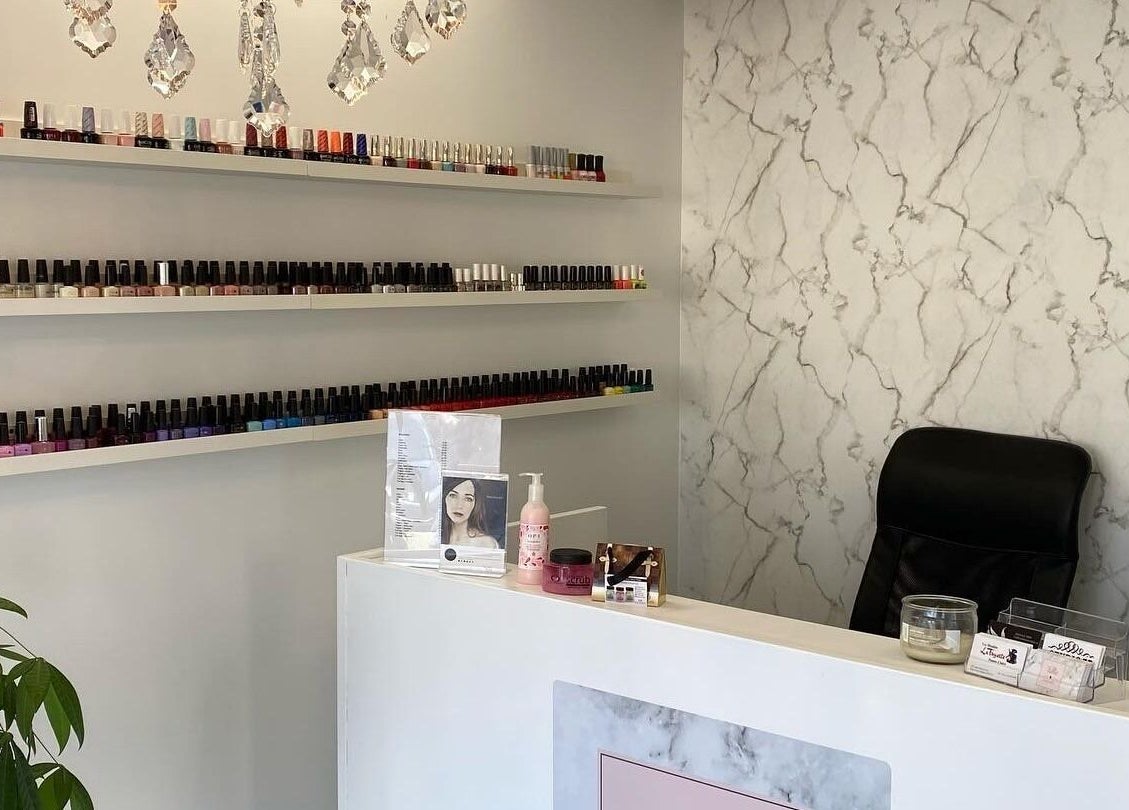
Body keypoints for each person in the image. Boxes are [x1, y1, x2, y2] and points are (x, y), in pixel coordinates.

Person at [442, 478, 499, 549]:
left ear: (475, 505)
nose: (459, 505)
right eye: (453, 495)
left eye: (468, 499)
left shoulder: (486, 544)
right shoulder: (433, 538)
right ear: (444, 499)